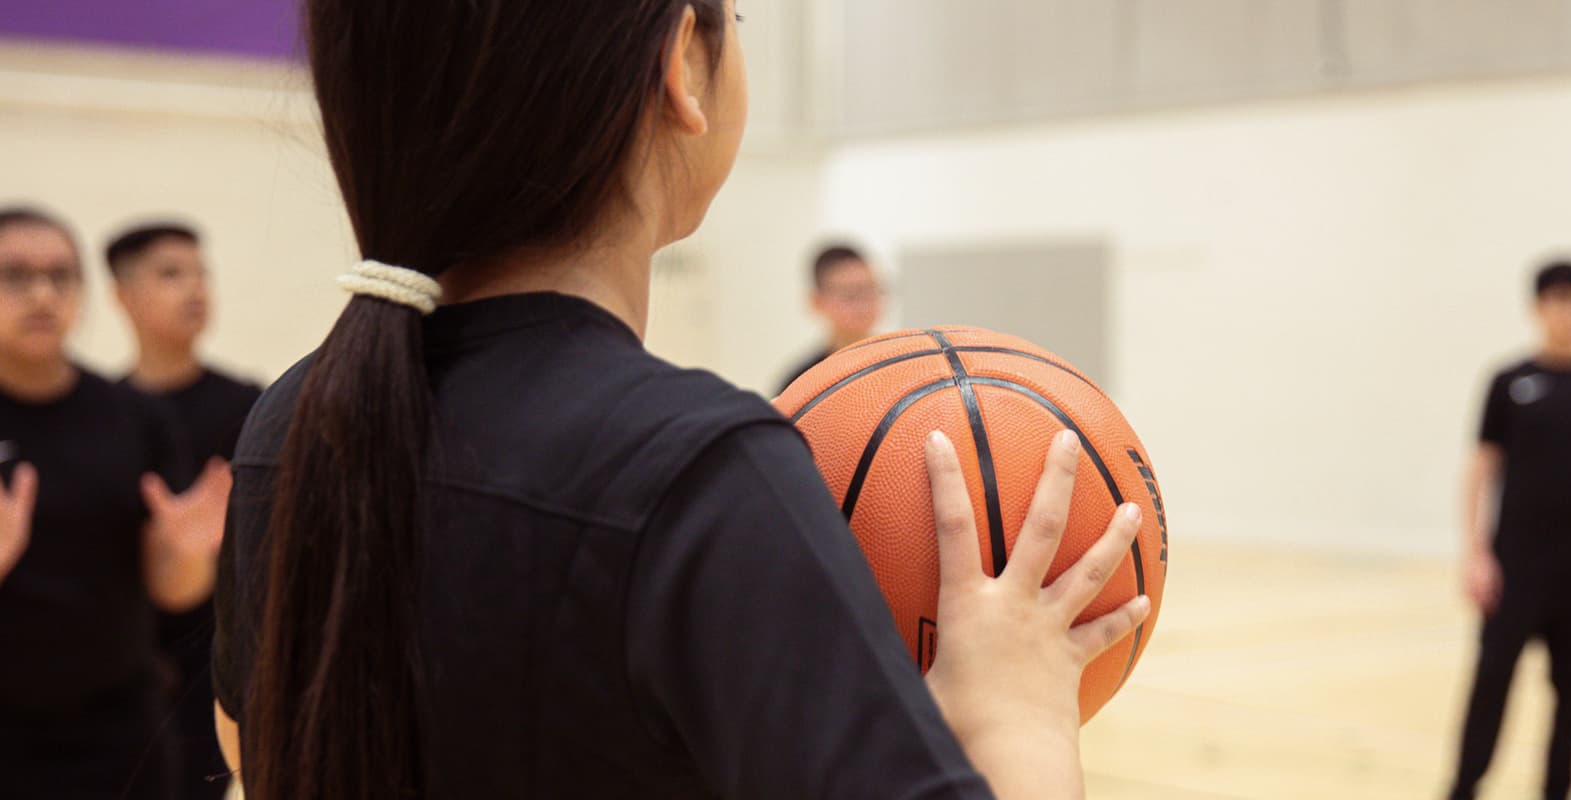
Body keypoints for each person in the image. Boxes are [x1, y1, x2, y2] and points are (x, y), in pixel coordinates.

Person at [211, 3, 1150, 799]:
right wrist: (1020, 717)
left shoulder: (286, 427)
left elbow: (248, 749)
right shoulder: (698, 470)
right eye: (734, 19)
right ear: (680, 72)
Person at [0, 207, 232, 800]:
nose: (43, 294)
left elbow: (172, 590)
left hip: (119, 729)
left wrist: (187, 553)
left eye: (61, 275)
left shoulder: (133, 414)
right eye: (16, 276)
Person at [1447, 260, 1571, 800]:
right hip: (1516, 566)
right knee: (1491, 685)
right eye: (1559, 300)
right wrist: (1476, 552)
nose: (1569, 313)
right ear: (1537, 308)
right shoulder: (1508, 383)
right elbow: (1480, 467)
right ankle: (1463, 786)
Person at [107, 221, 261, 800]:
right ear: (121, 295)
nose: (195, 289)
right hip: (123, 672)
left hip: (214, 667)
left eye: (202, 273)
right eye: (172, 274)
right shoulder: (107, 412)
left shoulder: (249, 405)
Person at [774, 243, 884, 393]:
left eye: (870, 290)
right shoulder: (800, 382)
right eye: (850, 294)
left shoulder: (903, 364)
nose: (864, 303)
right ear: (817, 301)